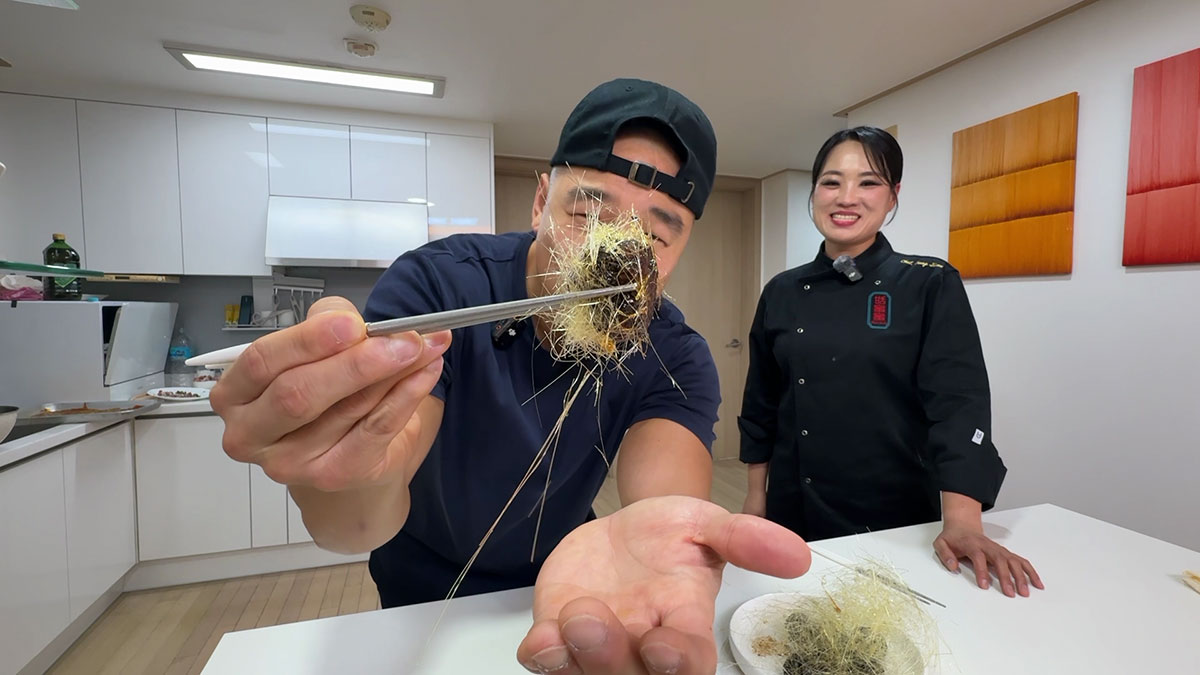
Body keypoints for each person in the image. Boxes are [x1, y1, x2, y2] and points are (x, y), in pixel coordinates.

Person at [210, 78, 810, 675]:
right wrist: (346, 461)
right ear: (540, 201)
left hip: (574, 579)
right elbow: (358, 520)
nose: (612, 256)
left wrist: (661, 552)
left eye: (653, 236)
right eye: (585, 211)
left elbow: (664, 503)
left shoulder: (674, 353)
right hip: (420, 590)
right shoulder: (441, 288)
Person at [738, 126, 1043, 599]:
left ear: (893, 195)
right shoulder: (781, 290)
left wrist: (963, 521)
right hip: (793, 505)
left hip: (895, 515)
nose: (847, 197)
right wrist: (755, 500)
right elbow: (761, 401)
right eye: (832, 181)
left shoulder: (928, 283)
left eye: (868, 182)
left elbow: (958, 403)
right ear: (814, 190)